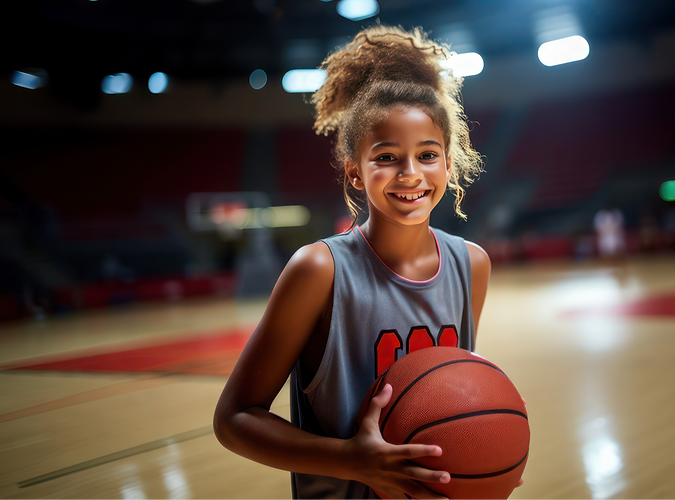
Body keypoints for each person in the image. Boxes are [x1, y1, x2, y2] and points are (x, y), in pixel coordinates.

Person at [213, 26, 502, 500]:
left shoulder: (472, 265)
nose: (411, 173)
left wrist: (490, 446)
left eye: (428, 155)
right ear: (355, 171)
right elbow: (234, 418)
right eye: (387, 156)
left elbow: (448, 397)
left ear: (448, 164)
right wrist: (351, 461)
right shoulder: (319, 269)